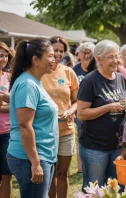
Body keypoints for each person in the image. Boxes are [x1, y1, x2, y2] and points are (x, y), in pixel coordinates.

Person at [7, 38, 58, 198]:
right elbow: (24, 126)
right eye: (50, 56)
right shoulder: (28, 85)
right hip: (29, 159)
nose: (54, 59)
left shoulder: (34, 82)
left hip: (41, 156)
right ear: (35, 60)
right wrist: (36, 163)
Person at [77, 40, 126, 191]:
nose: (116, 61)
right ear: (98, 59)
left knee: (116, 189)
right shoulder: (89, 81)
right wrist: (108, 107)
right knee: (95, 190)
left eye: (117, 56)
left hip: (118, 146)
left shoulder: (121, 79)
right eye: (111, 57)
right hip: (95, 147)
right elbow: (81, 114)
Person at [40, 36, 79, 198]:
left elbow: (77, 101)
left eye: (61, 51)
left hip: (66, 131)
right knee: (48, 174)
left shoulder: (69, 72)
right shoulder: (39, 72)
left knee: (62, 173)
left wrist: (71, 111)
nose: (58, 53)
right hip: (44, 132)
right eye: (54, 50)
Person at [72, 42, 95, 173]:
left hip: (94, 107)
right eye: (84, 52)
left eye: (89, 53)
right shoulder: (75, 70)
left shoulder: (96, 69)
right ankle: (80, 166)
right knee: (81, 136)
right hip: (79, 109)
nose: (86, 55)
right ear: (79, 54)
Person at [0, 41, 13, 198]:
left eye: (4, 56)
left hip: (8, 133)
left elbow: (17, 106)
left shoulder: (10, 78)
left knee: (7, 175)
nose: (2, 59)